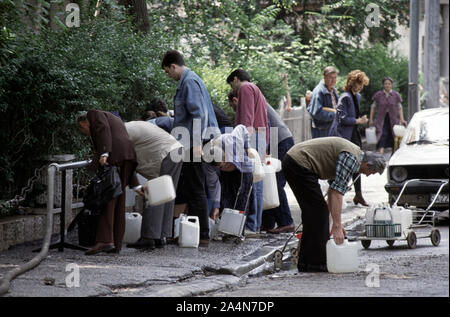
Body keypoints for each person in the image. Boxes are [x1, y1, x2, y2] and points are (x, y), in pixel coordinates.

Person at [282, 137, 386, 272]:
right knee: (318, 212)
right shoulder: (351, 159)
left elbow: (332, 191)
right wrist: (337, 225)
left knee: (315, 213)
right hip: (298, 163)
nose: (367, 175)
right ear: (368, 164)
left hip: (295, 162)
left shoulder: (353, 156)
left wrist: (333, 220)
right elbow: (337, 193)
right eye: (371, 172)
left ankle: (306, 263)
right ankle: (316, 263)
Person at [161, 50, 219, 247]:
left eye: (167, 71)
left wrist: (195, 144)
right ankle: (183, 233)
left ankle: (202, 235)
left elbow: (198, 114)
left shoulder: (189, 81)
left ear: (173, 66)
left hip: (193, 142)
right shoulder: (188, 80)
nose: (168, 75)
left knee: (195, 186)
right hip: (188, 141)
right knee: (186, 186)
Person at [77, 110, 138, 255]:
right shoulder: (114, 119)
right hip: (127, 155)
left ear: (84, 122)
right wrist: (136, 184)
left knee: (107, 199)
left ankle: (105, 241)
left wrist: (105, 153)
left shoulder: (94, 114)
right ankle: (116, 243)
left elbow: (103, 129)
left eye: (82, 128)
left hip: (114, 156)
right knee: (119, 201)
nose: (85, 132)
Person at [124, 121, 184, 250]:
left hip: (165, 153)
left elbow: (124, 158)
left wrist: (134, 184)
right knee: (167, 195)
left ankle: (148, 237)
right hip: (176, 150)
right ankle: (161, 236)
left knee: (156, 194)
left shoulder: (123, 131)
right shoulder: (131, 126)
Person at [225, 71, 269, 234]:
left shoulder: (245, 88)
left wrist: (243, 142)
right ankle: (255, 224)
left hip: (252, 136)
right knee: (257, 180)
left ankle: (252, 225)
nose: (233, 89)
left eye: (231, 84)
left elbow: (247, 118)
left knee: (251, 181)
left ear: (235, 79)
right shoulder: (256, 89)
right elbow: (264, 119)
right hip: (260, 136)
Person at [329, 70, 370, 207]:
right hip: (343, 135)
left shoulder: (356, 96)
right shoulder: (345, 97)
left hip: (353, 134)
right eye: (358, 84)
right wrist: (358, 121)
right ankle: (336, 194)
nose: (360, 87)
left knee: (357, 163)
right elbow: (341, 118)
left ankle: (358, 194)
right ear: (351, 83)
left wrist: (359, 120)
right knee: (343, 164)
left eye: (362, 84)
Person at [262, 103, 295, 233]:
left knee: (275, 183)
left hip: (280, 141)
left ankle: (286, 222)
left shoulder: (249, 97)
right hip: (280, 140)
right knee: (269, 182)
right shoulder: (257, 98)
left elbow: (265, 125)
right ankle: (268, 222)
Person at [369, 77, 407, 154]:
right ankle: (380, 154)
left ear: (392, 85)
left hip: (393, 119)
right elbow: (373, 107)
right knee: (382, 135)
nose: (387, 85)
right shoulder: (379, 95)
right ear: (383, 85)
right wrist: (370, 119)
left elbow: (400, 108)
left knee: (393, 136)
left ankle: (393, 155)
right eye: (385, 84)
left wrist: (402, 119)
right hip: (381, 120)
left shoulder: (396, 95)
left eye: (389, 84)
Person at [307, 66, 339, 138]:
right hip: (322, 131)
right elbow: (316, 113)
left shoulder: (333, 90)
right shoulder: (319, 91)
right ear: (324, 77)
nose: (333, 80)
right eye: (331, 77)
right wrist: (335, 114)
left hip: (331, 128)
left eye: (335, 77)